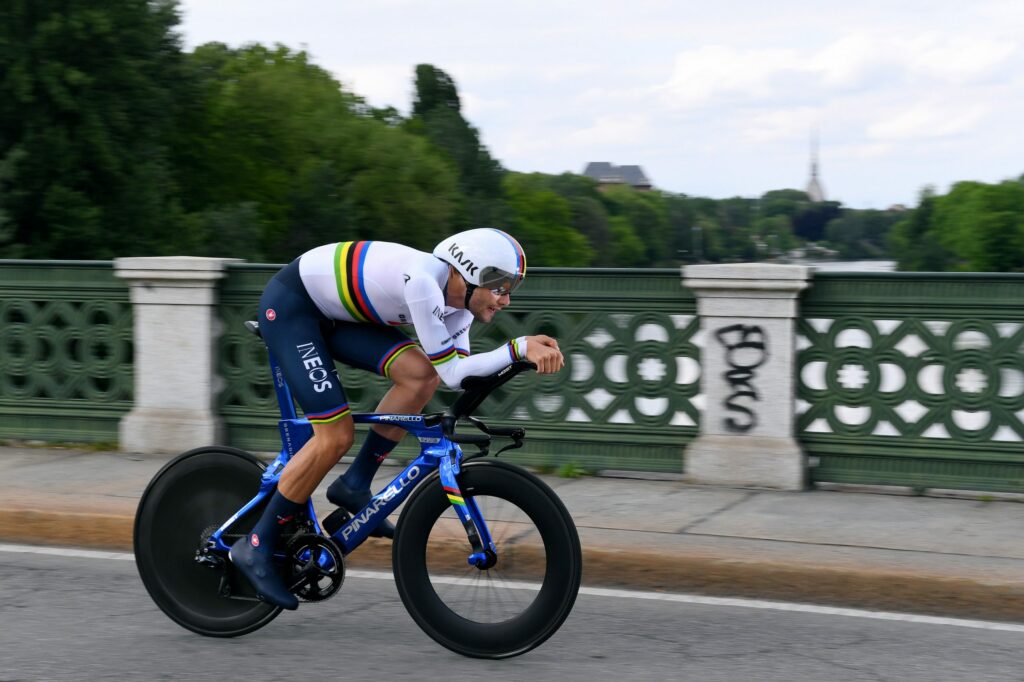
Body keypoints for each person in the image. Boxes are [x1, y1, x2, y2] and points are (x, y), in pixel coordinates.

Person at [229, 228, 564, 609]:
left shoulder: (459, 305)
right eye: (500, 288)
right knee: (334, 436)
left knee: (421, 374)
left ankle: (355, 484)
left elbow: (458, 375)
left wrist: (517, 360)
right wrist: (518, 348)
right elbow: (458, 373)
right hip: (293, 308)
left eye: (511, 290)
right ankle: (255, 546)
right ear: (468, 274)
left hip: (334, 314)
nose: (505, 300)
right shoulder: (425, 283)